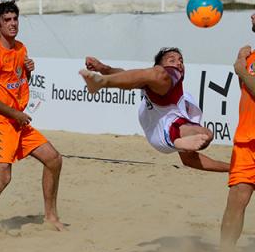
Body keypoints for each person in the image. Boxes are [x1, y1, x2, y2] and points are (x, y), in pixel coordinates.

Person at [0, 0, 64, 231]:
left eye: (15, 19)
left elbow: (18, 82)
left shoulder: (21, 48)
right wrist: (15, 113)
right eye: (7, 20)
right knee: (2, 176)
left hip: (16, 121)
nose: (13, 23)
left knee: (54, 159)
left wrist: (28, 71)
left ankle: (51, 217)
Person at [79, 48, 229, 172]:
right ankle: (101, 82)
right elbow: (126, 75)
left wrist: (232, 168)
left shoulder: (186, 100)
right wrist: (102, 68)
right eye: (172, 60)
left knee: (207, 134)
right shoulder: (161, 75)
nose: (178, 63)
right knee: (158, 74)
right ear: (158, 65)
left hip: (168, 134)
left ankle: (176, 142)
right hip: (163, 134)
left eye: (181, 60)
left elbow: (190, 160)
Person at [220, 13, 255, 252]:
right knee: (236, 200)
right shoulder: (249, 57)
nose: (252, 15)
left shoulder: (244, 63)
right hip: (246, 140)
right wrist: (242, 66)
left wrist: (241, 70)